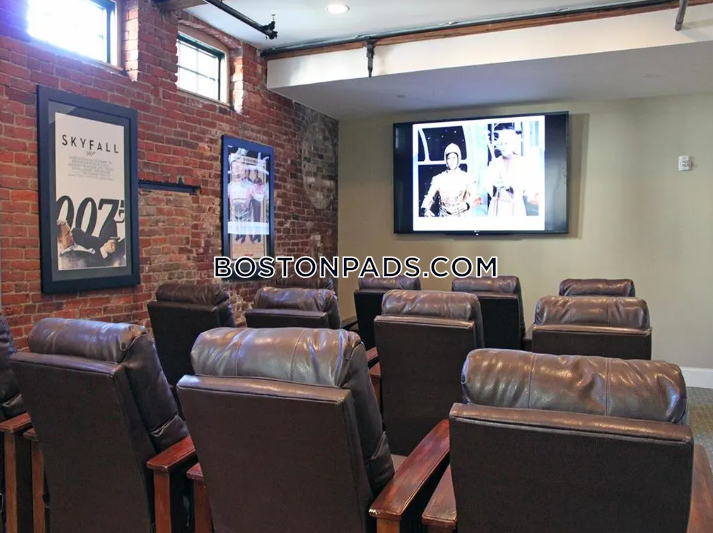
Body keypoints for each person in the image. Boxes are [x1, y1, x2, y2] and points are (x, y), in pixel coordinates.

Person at [483, 128, 540, 218]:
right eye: (501, 144)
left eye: (506, 143)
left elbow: (525, 186)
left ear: (513, 144)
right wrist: (495, 185)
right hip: (497, 207)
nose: (503, 147)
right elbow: (487, 184)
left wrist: (509, 187)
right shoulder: (494, 163)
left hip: (515, 208)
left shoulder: (522, 162)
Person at [420, 143, 479, 217]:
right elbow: (429, 196)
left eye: (454, 158)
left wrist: (467, 205)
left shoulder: (467, 178)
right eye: (449, 158)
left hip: (462, 218)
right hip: (444, 218)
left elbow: (476, 198)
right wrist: (425, 209)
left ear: (458, 158)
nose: (452, 161)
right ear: (446, 160)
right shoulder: (438, 179)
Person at [227, 149, 253, 244]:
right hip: (234, 221)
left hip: (246, 221)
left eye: (241, 165)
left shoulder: (250, 185)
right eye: (235, 167)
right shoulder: (229, 186)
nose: (238, 169)